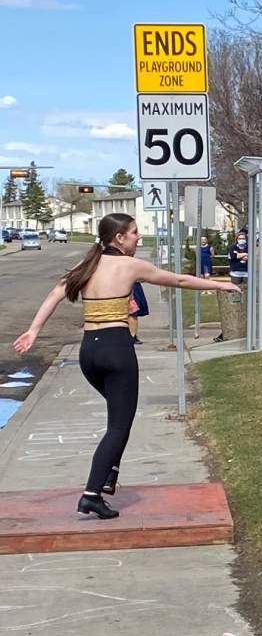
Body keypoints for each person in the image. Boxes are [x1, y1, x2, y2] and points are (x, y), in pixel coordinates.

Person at [12, 213, 239, 519]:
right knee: (119, 425)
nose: (138, 238)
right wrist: (222, 286)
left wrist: (34, 331)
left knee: (119, 418)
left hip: (88, 354)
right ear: (118, 238)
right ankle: (91, 494)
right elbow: (179, 280)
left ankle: (108, 476)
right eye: (134, 233)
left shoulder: (87, 265)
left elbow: (55, 293)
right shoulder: (131, 266)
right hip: (116, 351)